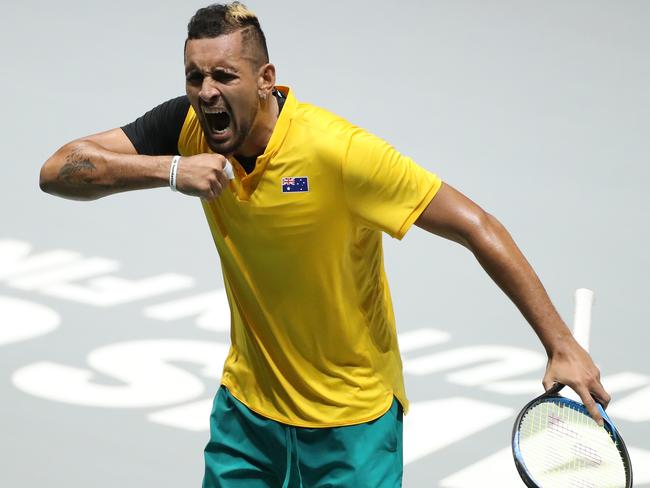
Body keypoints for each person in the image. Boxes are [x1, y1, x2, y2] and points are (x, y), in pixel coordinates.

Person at [39, 2, 611, 487]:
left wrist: (560, 342)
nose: (206, 92)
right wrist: (168, 170)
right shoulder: (185, 128)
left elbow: (476, 225)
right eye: (194, 77)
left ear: (266, 78)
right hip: (247, 416)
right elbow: (58, 169)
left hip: (352, 427)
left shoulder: (340, 154)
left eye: (224, 76)